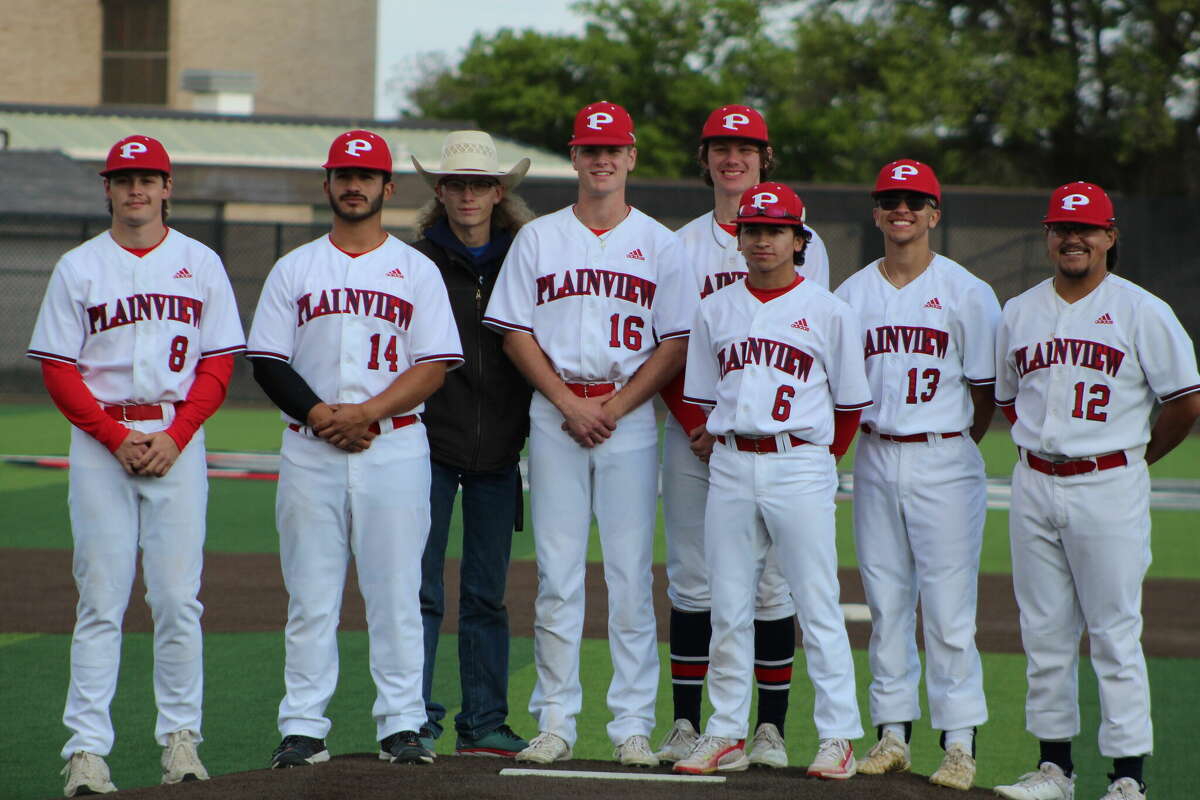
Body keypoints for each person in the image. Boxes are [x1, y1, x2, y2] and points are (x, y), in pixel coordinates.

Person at [27, 134, 245, 796]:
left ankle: (181, 740)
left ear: (167, 186)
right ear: (108, 188)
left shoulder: (200, 262)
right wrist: (110, 434)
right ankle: (87, 751)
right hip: (102, 440)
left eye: (148, 178)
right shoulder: (79, 266)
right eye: (124, 179)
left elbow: (218, 363)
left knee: (178, 599)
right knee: (101, 598)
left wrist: (177, 434)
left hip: (177, 436)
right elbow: (60, 367)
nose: (136, 189)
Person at [246, 130, 463, 769]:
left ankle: (401, 726)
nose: (354, 183)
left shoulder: (415, 268)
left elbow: (435, 364)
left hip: (393, 445)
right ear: (328, 184)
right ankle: (304, 729)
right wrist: (322, 416)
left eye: (366, 174)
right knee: (311, 596)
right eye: (344, 172)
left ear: (388, 188)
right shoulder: (296, 267)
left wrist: (366, 412)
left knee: (396, 592)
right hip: (310, 447)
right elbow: (266, 360)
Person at [483, 100, 689, 767]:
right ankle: (555, 720)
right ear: (575, 157)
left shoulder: (661, 243)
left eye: (613, 150)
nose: (602, 160)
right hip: (556, 414)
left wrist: (617, 405)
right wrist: (568, 402)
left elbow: (675, 342)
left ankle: (631, 723)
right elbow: (514, 330)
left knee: (630, 577)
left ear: (630, 158)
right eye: (590, 150)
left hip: (626, 420)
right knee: (558, 575)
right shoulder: (539, 238)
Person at [992, 182, 1200, 800]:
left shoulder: (1142, 309)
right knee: (1044, 630)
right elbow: (1009, 400)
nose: (1073, 238)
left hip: (1108, 482)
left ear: (1110, 236)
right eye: (1061, 228)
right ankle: (1054, 768)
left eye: (1086, 229)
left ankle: (1128, 778)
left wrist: (1135, 456)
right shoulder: (1019, 311)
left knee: (1113, 632)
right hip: (1033, 481)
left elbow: (1186, 402)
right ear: (1048, 235)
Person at [655, 104, 831, 768]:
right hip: (695, 430)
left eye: (747, 147)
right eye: (721, 148)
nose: (734, 157)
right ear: (704, 159)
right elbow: (674, 345)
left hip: (777, 437)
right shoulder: (682, 245)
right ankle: (686, 722)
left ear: (765, 155)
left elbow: (815, 338)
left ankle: (770, 728)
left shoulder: (806, 239)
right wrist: (700, 425)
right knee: (695, 579)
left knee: (772, 586)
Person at [675, 183, 868, 778]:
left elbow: (850, 406)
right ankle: (727, 730)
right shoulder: (715, 308)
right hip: (732, 461)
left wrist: (816, 462)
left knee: (817, 604)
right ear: (739, 239)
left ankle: (838, 736)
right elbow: (702, 398)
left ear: (798, 240)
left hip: (800, 461)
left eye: (776, 230)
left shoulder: (829, 311)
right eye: (753, 230)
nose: (762, 240)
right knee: (727, 605)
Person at [834, 159, 998, 790]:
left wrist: (951, 440)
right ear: (876, 212)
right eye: (890, 200)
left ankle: (959, 745)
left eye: (914, 200)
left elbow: (985, 390)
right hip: (875, 454)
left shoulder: (966, 291)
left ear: (934, 213)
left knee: (951, 609)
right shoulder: (851, 293)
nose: (901, 210)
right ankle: (893, 733)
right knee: (886, 600)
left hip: (944, 453)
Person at [408, 130, 534, 757]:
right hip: (426, 443)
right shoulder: (412, 259)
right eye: (457, 184)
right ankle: (418, 718)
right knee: (422, 588)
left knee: (486, 593)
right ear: (440, 190)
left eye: (480, 184)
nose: (468, 194)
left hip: (501, 449)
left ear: (499, 190)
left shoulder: (527, 257)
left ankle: (483, 722)